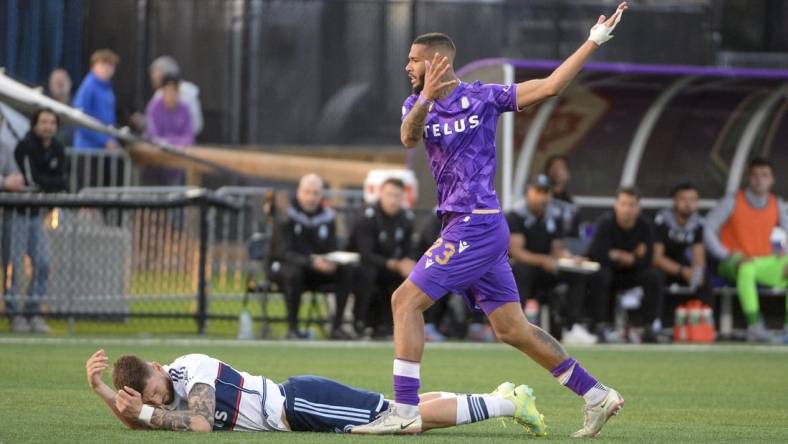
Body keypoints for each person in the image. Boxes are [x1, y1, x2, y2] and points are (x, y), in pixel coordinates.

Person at [354, 3, 628, 437]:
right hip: (464, 226)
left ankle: (405, 409)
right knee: (512, 329)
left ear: (436, 62)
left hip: (476, 223)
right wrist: (425, 98)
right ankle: (597, 395)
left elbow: (552, 86)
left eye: (413, 59)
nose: (406, 65)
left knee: (404, 301)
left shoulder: (483, 97)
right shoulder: (417, 105)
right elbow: (407, 135)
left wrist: (593, 41)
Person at [85, 349, 544, 434]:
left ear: (158, 369)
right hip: (295, 408)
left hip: (295, 404)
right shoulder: (161, 391)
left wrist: (145, 414)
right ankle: (499, 394)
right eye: (152, 401)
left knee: (404, 424)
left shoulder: (190, 370)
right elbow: (138, 416)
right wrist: (104, 391)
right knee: (399, 412)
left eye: (156, 392)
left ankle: (510, 402)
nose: (161, 402)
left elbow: (201, 424)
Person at [704, 158, 788, 342]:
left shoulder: (777, 204)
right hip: (733, 262)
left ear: (772, 179)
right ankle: (754, 324)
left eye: (764, 175)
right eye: (755, 175)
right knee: (747, 269)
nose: (760, 180)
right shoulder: (732, 201)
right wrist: (726, 254)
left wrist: (785, 252)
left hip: (763, 262)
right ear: (748, 178)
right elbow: (708, 228)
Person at [507, 175, 595, 344]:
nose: (542, 197)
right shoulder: (515, 215)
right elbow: (516, 252)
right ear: (528, 193)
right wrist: (543, 260)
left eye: (546, 192)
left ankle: (571, 327)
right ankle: (518, 326)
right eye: (538, 192)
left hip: (546, 268)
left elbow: (557, 249)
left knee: (576, 274)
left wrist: (571, 259)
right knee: (521, 270)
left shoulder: (555, 216)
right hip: (524, 268)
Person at [269, 174, 354, 339]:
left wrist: (331, 261)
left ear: (321, 194)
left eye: (316, 193)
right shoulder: (286, 214)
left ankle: (337, 327)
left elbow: (331, 247)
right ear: (299, 192)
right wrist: (311, 262)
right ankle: (293, 328)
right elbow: (284, 252)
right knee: (294, 273)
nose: (311, 197)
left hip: (316, 270)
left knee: (347, 271)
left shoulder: (327, 216)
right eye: (307, 192)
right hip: (287, 268)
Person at [7, 109, 67, 334]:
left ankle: (33, 313)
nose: (48, 126)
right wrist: (50, 182)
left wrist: (49, 182)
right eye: (43, 121)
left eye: (52, 122)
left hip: (37, 215)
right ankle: (15, 315)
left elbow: (62, 180)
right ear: (34, 124)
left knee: (42, 264)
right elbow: (33, 180)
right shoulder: (25, 145)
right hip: (17, 214)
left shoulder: (58, 148)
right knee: (13, 265)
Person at [586, 187, 664, 343]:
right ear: (616, 205)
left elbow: (648, 259)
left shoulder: (645, 225)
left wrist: (621, 256)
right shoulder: (606, 223)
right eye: (623, 204)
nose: (627, 209)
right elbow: (596, 254)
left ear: (638, 207)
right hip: (610, 273)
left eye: (632, 204)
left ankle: (649, 325)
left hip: (633, 273)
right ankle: (600, 325)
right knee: (600, 275)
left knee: (654, 276)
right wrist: (629, 256)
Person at [351, 178, 416, 338]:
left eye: (397, 196)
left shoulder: (406, 219)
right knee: (368, 274)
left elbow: (409, 249)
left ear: (403, 197)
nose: (393, 200)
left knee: (416, 277)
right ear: (381, 194)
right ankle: (361, 323)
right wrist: (392, 264)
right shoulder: (367, 216)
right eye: (389, 195)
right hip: (367, 266)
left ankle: (400, 326)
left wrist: (409, 263)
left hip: (393, 268)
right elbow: (365, 253)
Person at [653, 183, 712, 308]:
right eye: (683, 199)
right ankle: (654, 322)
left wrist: (697, 274)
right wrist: (682, 271)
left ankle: (704, 319)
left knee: (704, 278)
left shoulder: (697, 223)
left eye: (692, 200)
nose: (688, 204)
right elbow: (657, 258)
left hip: (682, 264)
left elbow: (699, 257)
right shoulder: (662, 220)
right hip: (663, 265)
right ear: (674, 201)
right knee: (655, 276)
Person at [143, 74, 194, 185]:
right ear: (163, 91)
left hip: (175, 166)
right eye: (167, 90)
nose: (170, 94)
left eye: (174, 91)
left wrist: (169, 142)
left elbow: (189, 137)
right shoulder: (154, 107)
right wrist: (175, 142)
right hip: (154, 163)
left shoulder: (185, 109)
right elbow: (153, 136)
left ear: (178, 92)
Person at [1, 130, 26, 331]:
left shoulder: (5, 148)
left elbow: (16, 176)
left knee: (11, 264)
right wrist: (3, 183)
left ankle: (14, 313)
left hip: (5, 217)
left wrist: (15, 180)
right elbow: (7, 181)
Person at [73, 49, 121, 151]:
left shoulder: (108, 89)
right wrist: (104, 140)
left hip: (105, 149)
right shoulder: (88, 86)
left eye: (111, 65)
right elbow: (79, 118)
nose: (107, 68)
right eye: (103, 64)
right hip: (87, 149)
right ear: (94, 66)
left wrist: (111, 140)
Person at [149, 56, 203, 136]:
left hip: (184, 144)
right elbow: (153, 127)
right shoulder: (157, 97)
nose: (153, 78)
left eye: (156, 74)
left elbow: (195, 126)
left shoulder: (188, 94)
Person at [544, 155, 580, 237]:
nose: (559, 171)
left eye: (562, 168)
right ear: (547, 171)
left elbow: (574, 234)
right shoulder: (541, 197)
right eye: (555, 167)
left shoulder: (571, 203)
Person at [47, 68, 74, 145]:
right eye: (56, 81)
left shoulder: (79, 106)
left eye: (63, 80)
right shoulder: (45, 108)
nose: (60, 83)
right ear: (50, 85)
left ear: (70, 83)